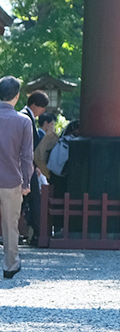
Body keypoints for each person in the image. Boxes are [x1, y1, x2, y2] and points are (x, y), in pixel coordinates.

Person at [0, 76, 34, 279]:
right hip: (12, 181)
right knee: (10, 225)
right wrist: (27, 182)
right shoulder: (23, 121)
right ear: (17, 96)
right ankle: (10, 265)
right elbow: (26, 156)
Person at [19, 90, 48, 245]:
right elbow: (28, 145)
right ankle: (38, 234)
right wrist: (34, 164)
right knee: (34, 197)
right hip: (27, 165)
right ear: (35, 105)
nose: (42, 112)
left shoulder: (25, 116)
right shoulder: (25, 118)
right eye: (42, 108)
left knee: (24, 201)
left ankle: (34, 233)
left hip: (27, 164)